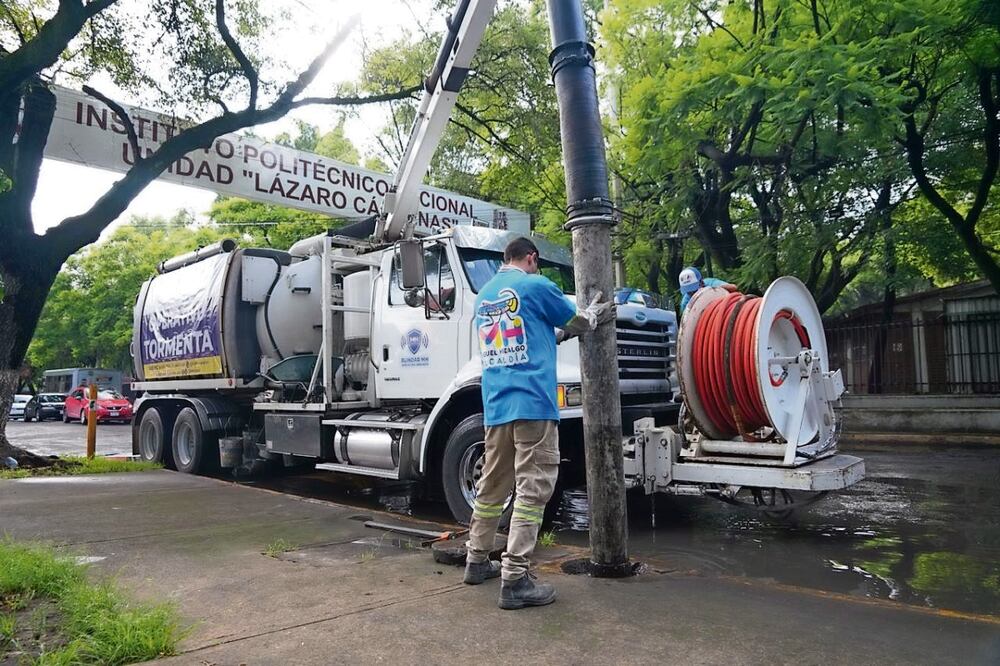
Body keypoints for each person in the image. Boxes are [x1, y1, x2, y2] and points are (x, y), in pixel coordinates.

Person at [464, 236, 614, 610]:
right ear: (531, 258)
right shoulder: (536, 285)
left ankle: (476, 559)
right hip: (533, 403)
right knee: (532, 492)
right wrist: (594, 314)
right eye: (537, 261)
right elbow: (576, 319)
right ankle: (514, 578)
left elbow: (527, 337)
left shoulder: (484, 297)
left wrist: (560, 334)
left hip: (497, 405)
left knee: (493, 486)